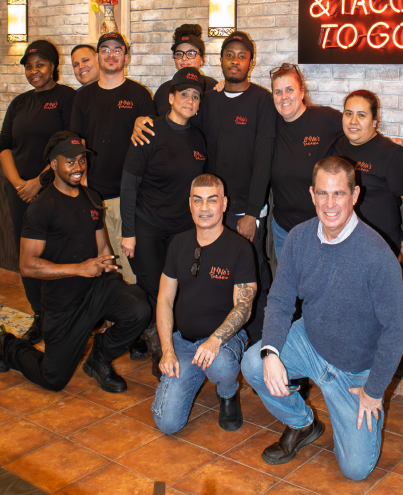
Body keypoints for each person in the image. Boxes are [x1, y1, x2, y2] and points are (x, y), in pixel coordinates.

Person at [242, 157, 403, 482]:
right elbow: (280, 300)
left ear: (355, 195)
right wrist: (271, 352)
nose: (329, 204)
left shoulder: (377, 254)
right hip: (311, 342)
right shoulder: (299, 238)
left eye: (338, 194)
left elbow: (398, 329)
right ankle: (302, 423)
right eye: (322, 193)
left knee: (356, 469)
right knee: (253, 362)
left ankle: (350, 412)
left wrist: (374, 390)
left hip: (354, 372)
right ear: (312, 194)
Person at [0, 132, 151, 393]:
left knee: (138, 306)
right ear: (53, 164)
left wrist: (112, 298)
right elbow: (27, 265)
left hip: (96, 290)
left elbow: (103, 249)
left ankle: (99, 359)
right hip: (63, 301)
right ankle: (1, 344)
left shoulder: (92, 198)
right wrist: (79, 269)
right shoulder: (41, 208)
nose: (78, 167)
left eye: (81, 160)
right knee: (53, 378)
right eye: (70, 162)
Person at [133, 30, 275, 345]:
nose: (235, 61)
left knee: (253, 278)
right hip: (209, 209)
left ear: (250, 62)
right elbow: (178, 126)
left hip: (245, 211)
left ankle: (257, 346)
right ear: (220, 60)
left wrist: (252, 213)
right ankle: (216, 341)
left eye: (242, 56)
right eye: (229, 55)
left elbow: (264, 159)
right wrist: (143, 121)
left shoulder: (261, 100)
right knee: (212, 278)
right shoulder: (207, 100)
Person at [120, 67, 208, 378]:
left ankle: (165, 340)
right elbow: (129, 183)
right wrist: (128, 232)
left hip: (181, 230)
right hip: (147, 225)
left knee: (176, 287)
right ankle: (159, 344)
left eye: (195, 96)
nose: (189, 100)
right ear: (170, 97)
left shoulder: (198, 138)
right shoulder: (149, 131)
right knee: (154, 287)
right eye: (183, 94)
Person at [153, 174, 257, 434]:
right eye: (198, 200)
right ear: (190, 204)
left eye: (212, 200)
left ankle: (227, 393)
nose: (204, 208)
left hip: (224, 343)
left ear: (224, 203)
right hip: (184, 343)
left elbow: (244, 307)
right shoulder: (179, 244)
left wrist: (214, 341)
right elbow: (164, 299)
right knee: (167, 424)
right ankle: (196, 370)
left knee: (220, 363)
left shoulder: (240, 248)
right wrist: (167, 350)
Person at [0, 40, 76, 343]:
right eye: (29, 67)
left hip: (54, 190)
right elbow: (5, 146)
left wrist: (38, 182)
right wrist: (19, 183)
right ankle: (40, 316)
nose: (34, 71)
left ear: (53, 66)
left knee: (56, 252)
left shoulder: (66, 97)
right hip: (20, 193)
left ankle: (62, 316)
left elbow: (69, 145)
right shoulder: (19, 103)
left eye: (40, 65)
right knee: (28, 256)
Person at [70, 32, 156, 283]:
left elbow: (151, 147)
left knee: (129, 264)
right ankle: (106, 305)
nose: (111, 54)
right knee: (98, 262)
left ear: (126, 57)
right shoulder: (83, 97)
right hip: (92, 194)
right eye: (105, 49)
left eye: (117, 50)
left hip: (129, 196)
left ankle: (131, 307)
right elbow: (77, 143)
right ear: (98, 57)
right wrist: (81, 183)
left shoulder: (140, 95)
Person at [332, 89, 403, 264]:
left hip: (380, 251)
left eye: (361, 115)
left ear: (374, 121)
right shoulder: (337, 145)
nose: (353, 121)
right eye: (348, 113)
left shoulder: (392, 154)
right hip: (342, 248)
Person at [269, 63, 343, 258]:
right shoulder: (270, 124)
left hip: (320, 229)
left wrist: (385, 142)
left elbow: (357, 128)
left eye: (289, 90)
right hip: (283, 230)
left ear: (301, 92)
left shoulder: (324, 119)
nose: (284, 97)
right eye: (277, 92)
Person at [152, 23, 218, 116]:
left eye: (191, 53)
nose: (184, 58)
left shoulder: (212, 87)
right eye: (179, 54)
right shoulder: (163, 90)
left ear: (201, 59)